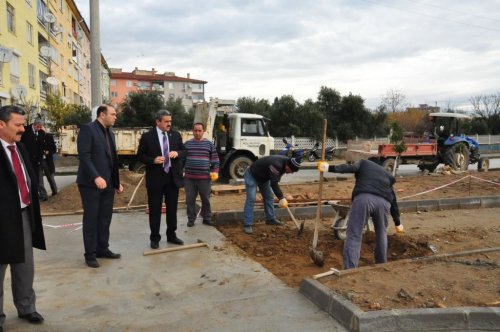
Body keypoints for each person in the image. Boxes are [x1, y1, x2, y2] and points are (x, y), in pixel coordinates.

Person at [0, 105, 46, 328]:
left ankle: (27, 308)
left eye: (23, 125)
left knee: (25, 267)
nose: (22, 129)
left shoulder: (20, 148)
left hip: (24, 216)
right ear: (1, 124)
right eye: (17, 125)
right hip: (1, 221)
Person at [318, 158, 396, 269]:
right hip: (384, 203)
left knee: (354, 234)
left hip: (364, 198)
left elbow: (350, 168)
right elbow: (394, 199)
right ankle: (381, 264)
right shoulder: (386, 174)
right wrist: (397, 222)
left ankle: (350, 268)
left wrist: (328, 167)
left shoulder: (364, 162)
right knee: (382, 233)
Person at [77, 105, 124, 268]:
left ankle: (102, 249)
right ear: (102, 115)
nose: (115, 117)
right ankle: (90, 254)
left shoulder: (109, 132)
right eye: (113, 114)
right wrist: (95, 176)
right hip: (90, 184)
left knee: (105, 218)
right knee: (91, 219)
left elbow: (112, 160)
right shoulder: (88, 129)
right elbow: (84, 156)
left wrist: (116, 183)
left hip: (108, 184)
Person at [137, 110, 186, 249]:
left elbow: (184, 151)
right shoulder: (147, 137)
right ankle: (155, 238)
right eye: (166, 121)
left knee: (172, 209)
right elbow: (140, 155)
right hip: (155, 178)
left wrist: (177, 153)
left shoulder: (175, 135)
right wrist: (152, 160)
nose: (169, 124)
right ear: (158, 122)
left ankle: (172, 235)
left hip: (172, 178)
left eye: (170, 121)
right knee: (155, 209)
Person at [243, 155, 301, 234]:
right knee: (251, 199)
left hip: (264, 178)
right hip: (252, 175)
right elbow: (273, 183)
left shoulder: (286, 163)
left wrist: (280, 196)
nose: (291, 173)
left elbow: (276, 179)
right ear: (288, 166)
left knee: (269, 196)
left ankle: (270, 219)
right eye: (292, 171)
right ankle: (247, 224)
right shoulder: (276, 165)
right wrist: (281, 197)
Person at [184, 122, 220, 227]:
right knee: (190, 199)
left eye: (199, 131)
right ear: (192, 131)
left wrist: (215, 172)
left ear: (203, 131)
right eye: (195, 130)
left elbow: (215, 160)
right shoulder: (187, 144)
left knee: (205, 199)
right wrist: (181, 171)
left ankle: (207, 218)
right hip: (189, 178)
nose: (197, 133)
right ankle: (191, 219)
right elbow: (181, 160)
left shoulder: (209, 144)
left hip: (204, 178)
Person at [21, 118, 46, 201]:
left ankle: (38, 195)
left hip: (37, 161)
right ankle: (29, 196)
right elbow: (21, 144)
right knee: (28, 178)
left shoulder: (41, 133)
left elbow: (41, 146)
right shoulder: (25, 130)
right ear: (34, 124)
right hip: (27, 159)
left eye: (40, 127)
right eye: (38, 127)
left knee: (37, 178)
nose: (39, 129)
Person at [39, 130, 58, 197]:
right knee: (39, 178)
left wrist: (48, 152)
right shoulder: (35, 136)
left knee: (50, 177)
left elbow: (54, 149)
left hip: (47, 160)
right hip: (38, 160)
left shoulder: (49, 136)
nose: (39, 128)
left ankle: (55, 192)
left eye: (41, 127)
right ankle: (43, 194)